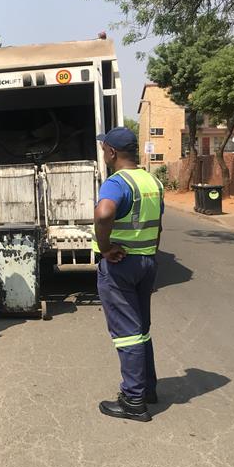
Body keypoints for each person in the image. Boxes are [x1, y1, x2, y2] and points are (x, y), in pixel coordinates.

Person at [93, 127, 164, 422]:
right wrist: (150, 253)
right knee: (141, 328)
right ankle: (147, 389)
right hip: (146, 261)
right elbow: (158, 225)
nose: (103, 153)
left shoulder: (116, 182)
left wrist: (105, 248)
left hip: (121, 265)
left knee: (127, 334)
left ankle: (133, 400)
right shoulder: (153, 181)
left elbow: (104, 214)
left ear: (112, 152)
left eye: (104, 149)